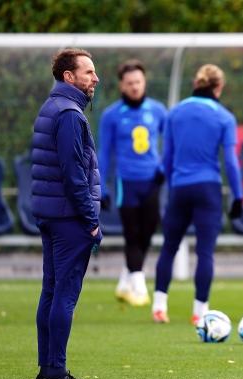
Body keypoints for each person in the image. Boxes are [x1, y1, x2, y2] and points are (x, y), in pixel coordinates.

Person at [31, 48, 102, 379]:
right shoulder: (70, 114)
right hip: (69, 217)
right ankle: (56, 372)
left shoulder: (52, 107)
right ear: (68, 77)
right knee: (64, 295)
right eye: (89, 72)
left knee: (50, 292)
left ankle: (48, 372)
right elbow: (74, 174)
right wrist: (91, 220)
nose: (96, 78)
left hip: (52, 214)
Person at [152, 64, 243, 325]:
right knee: (205, 252)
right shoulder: (224, 117)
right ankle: (200, 312)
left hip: (180, 188)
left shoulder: (175, 112)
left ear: (195, 83)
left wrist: (170, 187)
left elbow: (167, 158)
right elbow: (231, 162)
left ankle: (159, 306)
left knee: (169, 247)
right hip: (208, 189)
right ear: (219, 87)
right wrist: (238, 196)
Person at [98, 59, 167, 306]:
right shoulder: (112, 115)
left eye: (138, 81)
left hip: (152, 181)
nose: (135, 86)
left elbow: (170, 142)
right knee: (132, 233)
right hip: (125, 182)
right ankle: (139, 287)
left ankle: (125, 280)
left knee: (147, 233)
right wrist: (101, 187)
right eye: (130, 83)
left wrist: (163, 168)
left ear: (144, 82)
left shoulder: (157, 110)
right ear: (122, 86)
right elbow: (104, 152)